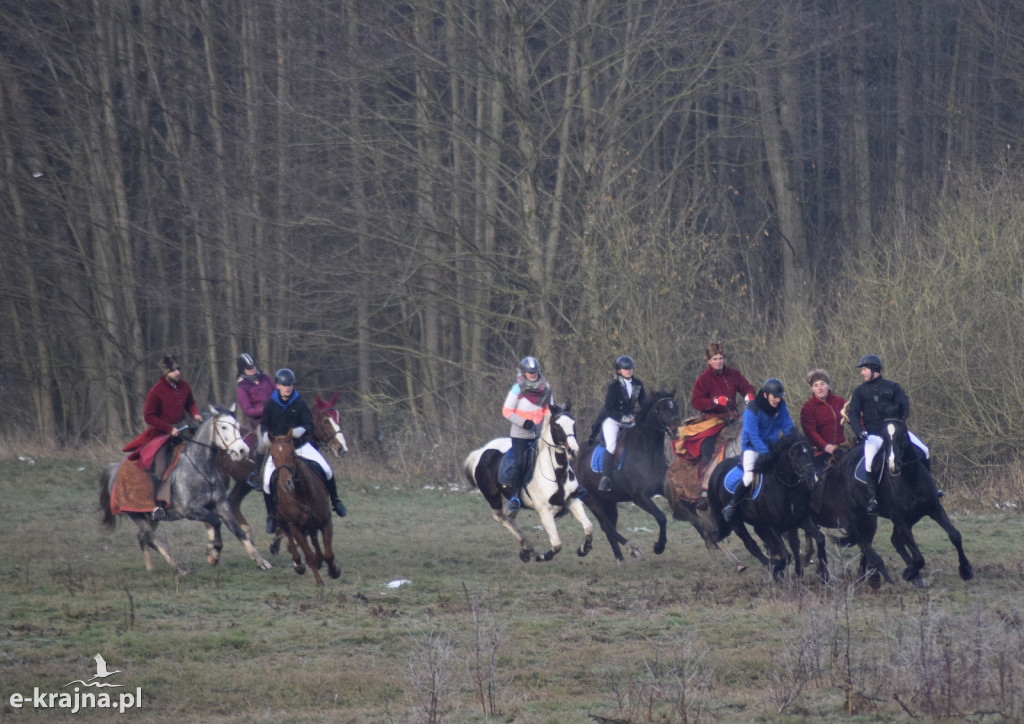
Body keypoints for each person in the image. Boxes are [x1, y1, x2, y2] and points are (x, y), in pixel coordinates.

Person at [261, 368, 346, 534]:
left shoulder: (299, 402)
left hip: (300, 446)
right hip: (280, 449)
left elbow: (310, 424)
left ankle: (336, 501)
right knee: (266, 482)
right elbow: (265, 424)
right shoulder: (270, 404)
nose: (288, 388)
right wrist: (265, 434)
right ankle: (272, 516)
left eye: (290, 385)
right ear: (277, 385)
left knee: (327, 470)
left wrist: (302, 430)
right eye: (284, 385)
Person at [847, 354, 932, 515]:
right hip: (874, 435)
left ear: (874, 370)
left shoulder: (894, 387)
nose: (862, 373)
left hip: (896, 434)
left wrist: (898, 427)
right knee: (869, 461)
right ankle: (873, 499)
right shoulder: (859, 391)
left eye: (864, 369)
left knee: (925, 450)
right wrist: (859, 431)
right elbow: (853, 414)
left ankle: (931, 488)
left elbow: (905, 408)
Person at [122, 355, 204, 520]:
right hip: (162, 435)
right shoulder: (156, 391)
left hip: (182, 430)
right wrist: (169, 428)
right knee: (160, 469)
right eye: (173, 370)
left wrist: (195, 414)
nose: (177, 372)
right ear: (166, 372)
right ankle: (157, 506)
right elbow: (149, 417)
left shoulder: (185, 386)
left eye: (178, 369)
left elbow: (191, 404)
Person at [722, 378, 795, 523]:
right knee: (748, 478)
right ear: (766, 395)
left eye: (780, 397)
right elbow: (753, 436)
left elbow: (787, 426)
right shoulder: (752, 409)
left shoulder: (781, 406)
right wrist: (766, 453)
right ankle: (732, 505)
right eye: (775, 397)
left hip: (773, 446)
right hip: (752, 448)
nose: (777, 400)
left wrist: (791, 441)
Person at [690, 341, 756, 468]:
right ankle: (705, 475)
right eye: (715, 359)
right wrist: (714, 401)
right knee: (707, 447)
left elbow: (747, 388)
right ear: (709, 361)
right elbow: (696, 401)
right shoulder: (703, 379)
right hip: (713, 421)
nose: (719, 361)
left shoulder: (734, 374)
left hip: (734, 418)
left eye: (721, 358)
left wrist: (749, 395)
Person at [501, 356, 553, 512]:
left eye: (535, 371)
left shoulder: (546, 387)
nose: (533, 374)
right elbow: (507, 411)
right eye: (529, 372)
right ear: (523, 373)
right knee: (520, 463)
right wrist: (523, 422)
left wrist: (546, 424)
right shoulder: (517, 389)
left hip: (540, 433)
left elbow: (550, 409)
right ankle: (515, 497)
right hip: (520, 434)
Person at [591, 355, 647, 492]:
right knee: (612, 446)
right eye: (625, 368)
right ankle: (605, 478)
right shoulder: (614, 387)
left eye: (630, 368)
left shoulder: (638, 385)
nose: (628, 370)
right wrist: (625, 419)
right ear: (619, 371)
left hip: (631, 420)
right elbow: (609, 409)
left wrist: (640, 416)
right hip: (613, 421)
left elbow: (644, 404)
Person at [799, 368, 848, 457]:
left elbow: (855, 415)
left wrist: (863, 432)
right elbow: (810, 432)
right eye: (816, 385)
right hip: (820, 453)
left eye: (822, 384)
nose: (820, 388)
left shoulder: (840, 401)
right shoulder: (808, 408)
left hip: (842, 448)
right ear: (812, 389)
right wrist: (826, 447)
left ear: (828, 385)